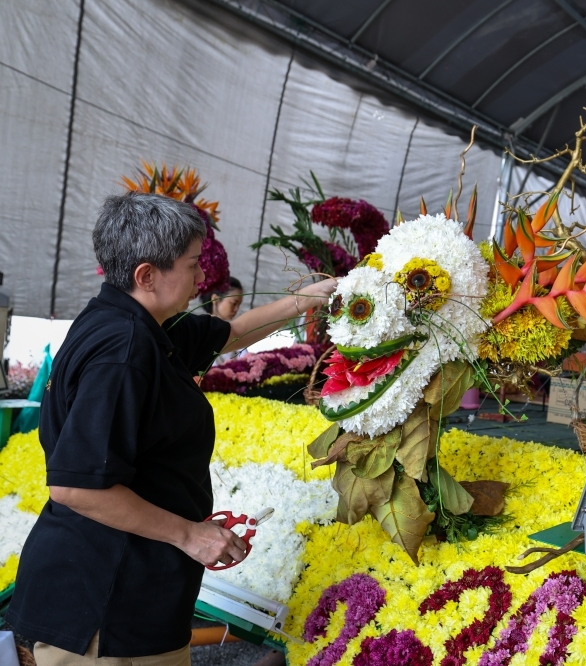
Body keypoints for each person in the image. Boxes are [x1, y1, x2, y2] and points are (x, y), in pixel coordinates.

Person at [6, 193, 338, 665]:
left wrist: (306, 300)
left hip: (135, 589)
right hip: (105, 606)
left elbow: (232, 334)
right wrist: (190, 535)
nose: (203, 277)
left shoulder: (135, 323)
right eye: (191, 264)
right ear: (146, 275)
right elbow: (76, 488)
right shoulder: (122, 353)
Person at [201, 277, 244, 365]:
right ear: (215, 299)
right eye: (233, 303)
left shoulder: (233, 330)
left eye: (239, 305)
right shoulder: (202, 329)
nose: (236, 309)